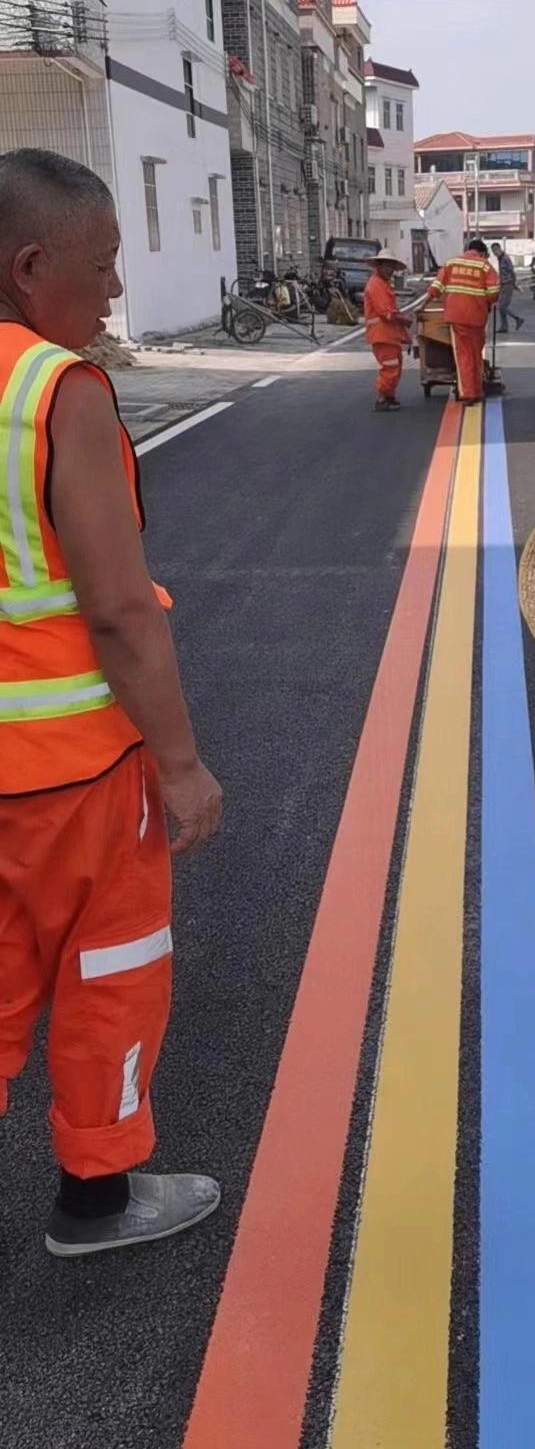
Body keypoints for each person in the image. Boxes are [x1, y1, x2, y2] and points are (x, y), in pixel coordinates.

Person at [0, 147, 223, 1257]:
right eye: (103, 262)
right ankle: (97, 1198)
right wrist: (179, 764)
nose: (117, 288)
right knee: (107, 975)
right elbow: (122, 613)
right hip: (73, 774)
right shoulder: (53, 390)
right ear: (32, 268)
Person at [428, 237, 499, 405]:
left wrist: (421, 306)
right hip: (478, 318)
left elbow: (435, 289)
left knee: (463, 356)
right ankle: (477, 390)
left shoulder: (451, 264)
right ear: (482, 253)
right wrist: (487, 303)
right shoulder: (484, 266)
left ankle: (468, 394)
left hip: (457, 317)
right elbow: (494, 292)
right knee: (475, 354)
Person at [363, 250, 410, 412]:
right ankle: (383, 397)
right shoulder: (376, 284)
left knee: (394, 366)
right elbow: (387, 312)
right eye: (387, 266)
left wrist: (403, 333)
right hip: (381, 334)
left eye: (392, 266)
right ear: (379, 265)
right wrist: (404, 320)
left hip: (388, 334)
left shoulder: (382, 283)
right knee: (390, 367)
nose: (390, 270)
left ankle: (389, 396)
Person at [491, 241, 523, 334]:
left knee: (502, 306)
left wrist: (514, 284)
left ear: (500, 249)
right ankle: (504, 326)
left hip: (508, 284)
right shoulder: (500, 259)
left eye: (496, 250)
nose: (495, 252)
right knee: (500, 306)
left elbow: (512, 272)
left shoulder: (505, 258)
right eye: (493, 251)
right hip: (503, 284)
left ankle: (517, 319)